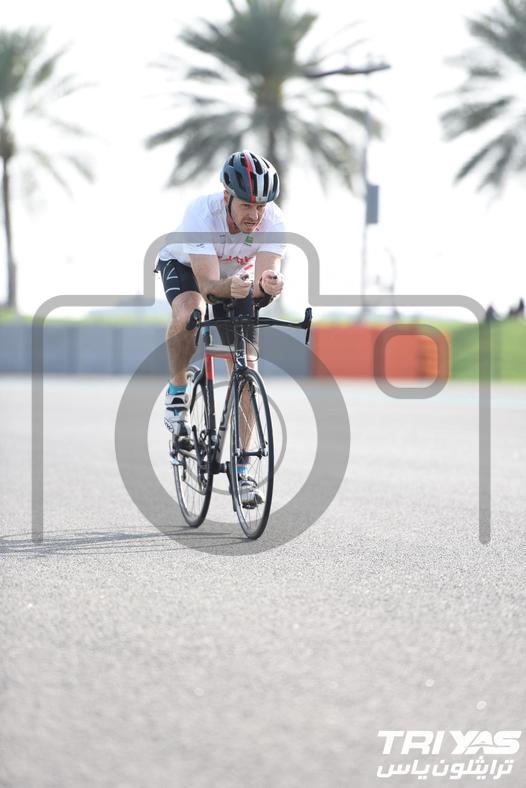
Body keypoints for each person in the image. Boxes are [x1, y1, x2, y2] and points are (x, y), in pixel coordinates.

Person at [155, 150, 286, 506]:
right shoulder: (201, 213)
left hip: (235, 278)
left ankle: (242, 471)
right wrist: (240, 287)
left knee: (248, 366)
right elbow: (210, 287)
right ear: (227, 196)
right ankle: (177, 392)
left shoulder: (274, 221)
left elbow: (262, 281)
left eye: (261, 207)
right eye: (246, 205)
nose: (254, 215)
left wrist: (269, 286)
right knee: (191, 311)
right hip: (189, 269)